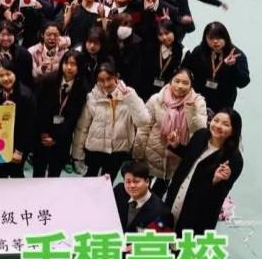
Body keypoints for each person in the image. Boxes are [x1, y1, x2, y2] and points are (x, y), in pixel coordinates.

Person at [165, 109, 243, 235]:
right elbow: (189, 157)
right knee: (165, 233)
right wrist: (176, 146)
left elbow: (220, 195)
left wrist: (216, 180)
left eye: (225, 124)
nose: (218, 126)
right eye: (216, 120)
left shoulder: (234, 159)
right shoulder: (201, 135)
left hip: (197, 213)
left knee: (183, 242)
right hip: (177, 196)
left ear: (233, 131)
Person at [132, 68, 208, 196]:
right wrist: (137, 155)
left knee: (158, 195)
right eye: (177, 81)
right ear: (171, 81)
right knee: (140, 193)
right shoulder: (157, 99)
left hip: (176, 159)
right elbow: (144, 128)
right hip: (152, 154)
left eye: (185, 83)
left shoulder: (198, 103)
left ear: (191, 85)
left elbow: (200, 131)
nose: (180, 86)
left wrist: (190, 110)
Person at [72, 61, 150, 181]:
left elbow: (143, 121)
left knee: (108, 183)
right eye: (101, 80)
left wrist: (129, 97)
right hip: (95, 150)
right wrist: (77, 155)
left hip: (118, 151)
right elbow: (82, 128)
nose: (106, 84)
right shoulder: (92, 97)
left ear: (116, 76)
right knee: (89, 182)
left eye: (109, 79)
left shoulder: (129, 94)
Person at [33, 50, 89, 178]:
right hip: (42, 135)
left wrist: (55, 138)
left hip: (61, 138)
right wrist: (43, 133)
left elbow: (74, 118)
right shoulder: (48, 80)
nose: (69, 67)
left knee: (55, 173)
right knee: (38, 172)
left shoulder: (82, 88)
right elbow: (38, 109)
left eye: (73, 64)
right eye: (66, 63)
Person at [182, 21, 250, 112]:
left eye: (219, 38)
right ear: (205, 38)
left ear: (226, 37)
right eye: (211, 38)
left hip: (223, 104)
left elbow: (243, 82)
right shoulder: (199, 51)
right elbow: (187, 72)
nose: (215, 41)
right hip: (197, 100)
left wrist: (232, 67)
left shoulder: (237, 55)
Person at [0, 57, 36, 179]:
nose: (5, 79)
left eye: (8, 74)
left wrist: (19, 150)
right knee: (0, 175)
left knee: (16, 174)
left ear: (15, 73)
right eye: (1, 75)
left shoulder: (26, 95)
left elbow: (29, 126)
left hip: (19, 143)